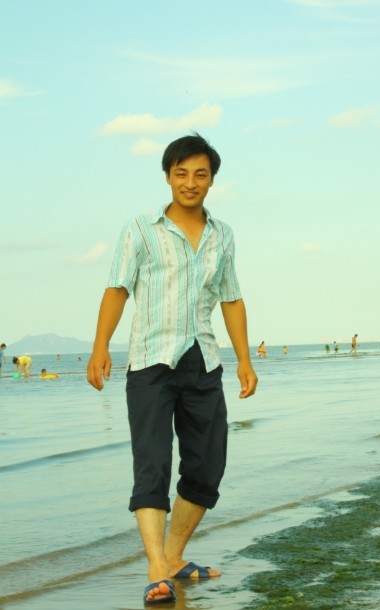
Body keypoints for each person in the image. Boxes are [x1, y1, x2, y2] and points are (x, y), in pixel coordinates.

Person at [87, 133, 258, 605]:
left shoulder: (223, 235)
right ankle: (156, 569)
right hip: (150, 363)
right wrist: (100, 348)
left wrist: (244, 359)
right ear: (167, 176)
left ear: (212, 180)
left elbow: (232, 297)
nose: (190, 182)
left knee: (207, 467)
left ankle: (174, 556)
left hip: (203, 361)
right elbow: (117, 289)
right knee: (153, 465)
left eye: (200, 174)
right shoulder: (140, 230)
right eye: (181, 173)